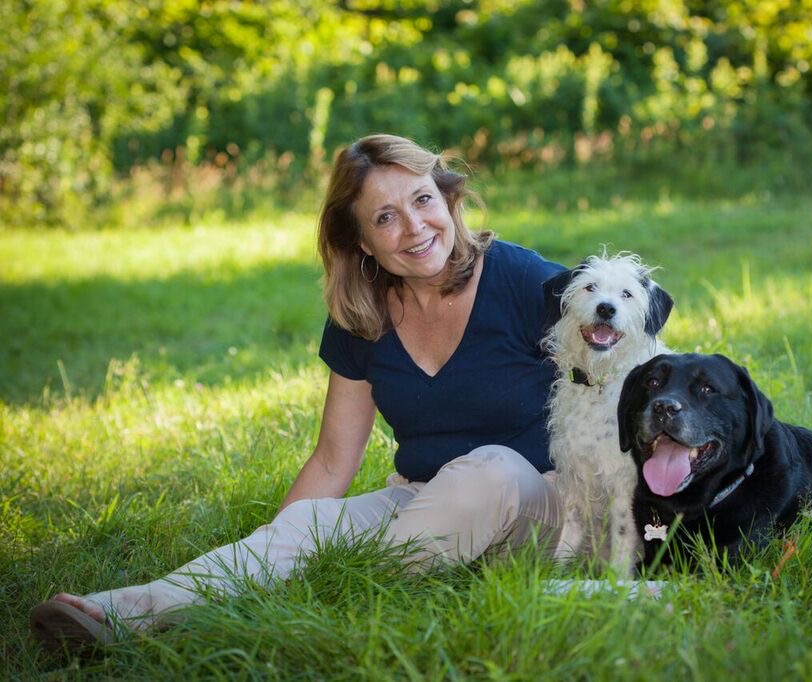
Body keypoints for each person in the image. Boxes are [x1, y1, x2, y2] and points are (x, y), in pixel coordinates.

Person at [30, 134, 566, 653]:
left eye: (423, 200)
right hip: (423, 499)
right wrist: (280, 538)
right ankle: (127, 610)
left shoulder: (523, 280)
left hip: (542, 505)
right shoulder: (363, 315)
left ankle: (305, 587)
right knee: (311, 525)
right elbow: (333, 461)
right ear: (362, 242)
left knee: (489, 470)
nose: (413, 227)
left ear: (448, 200)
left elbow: (631, 369)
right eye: (385, 217)